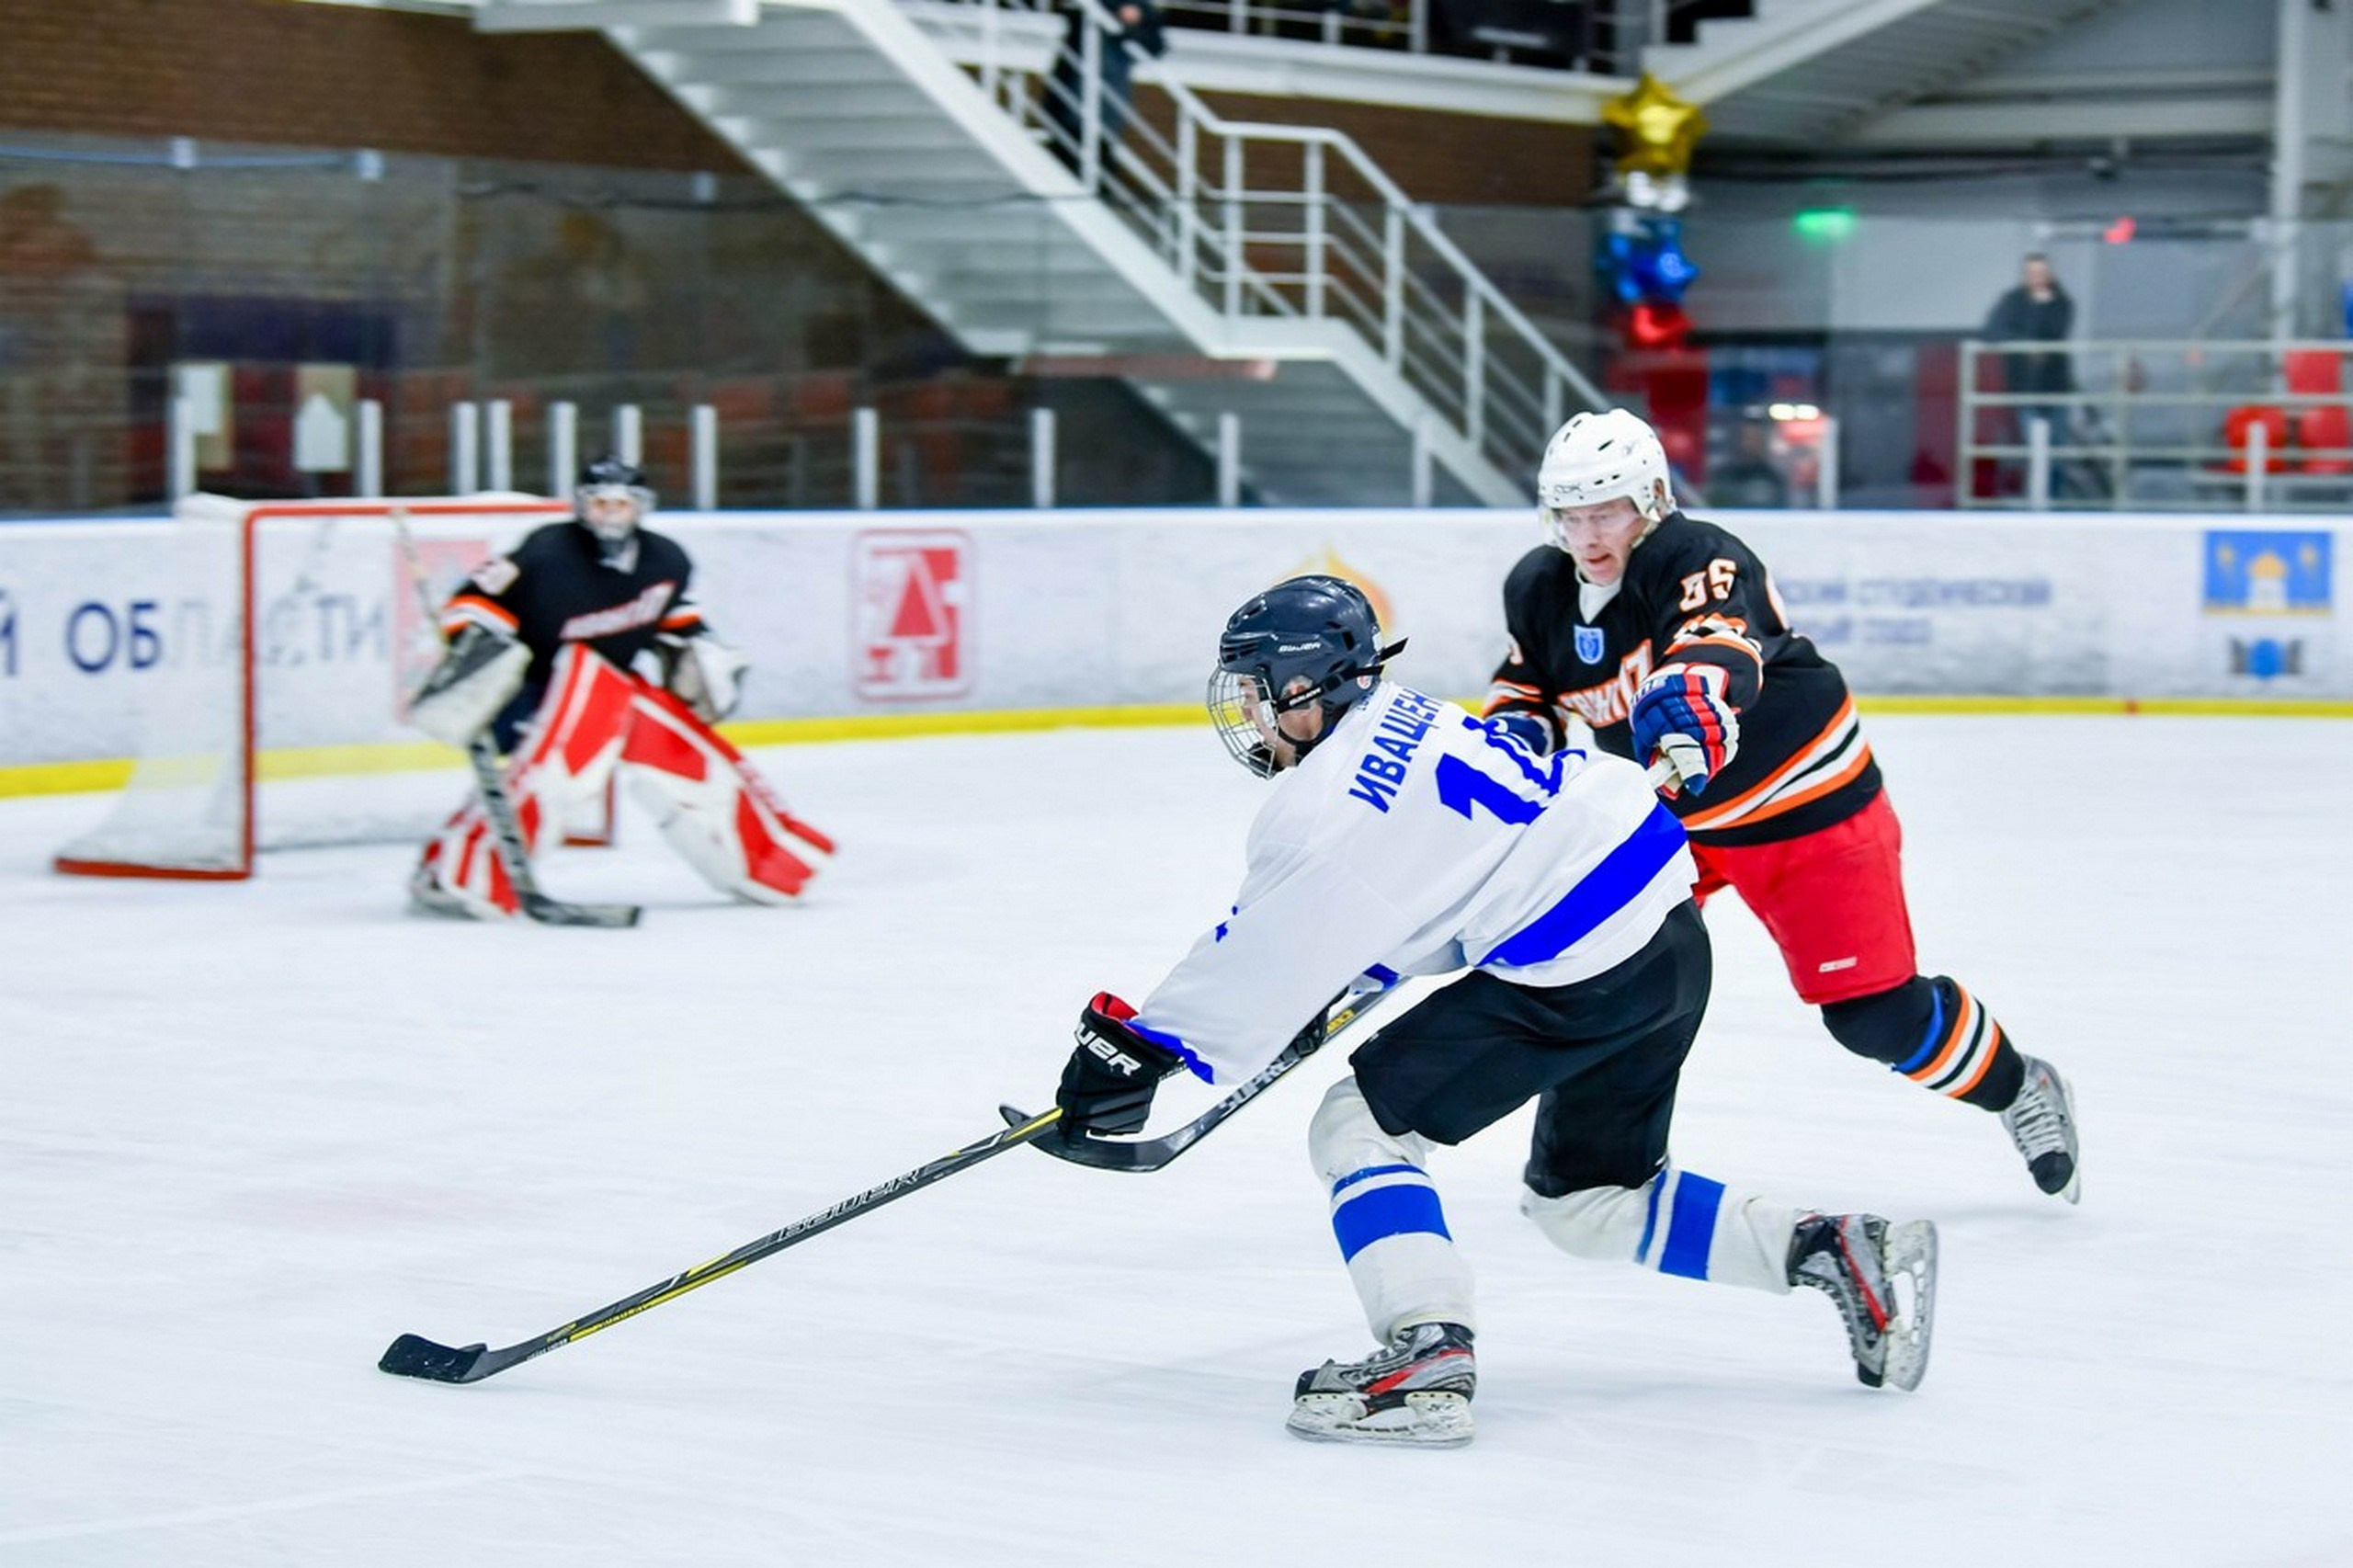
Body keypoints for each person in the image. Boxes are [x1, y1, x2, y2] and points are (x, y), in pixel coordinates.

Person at [1050, 574, 1938, 1449]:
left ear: (1302, 687)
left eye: (1254, 692)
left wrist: (1134, 1051)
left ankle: (1424, 1356)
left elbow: (1266, 951)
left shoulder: (1321, 807)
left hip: (1579, 964)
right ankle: (1835, 1249)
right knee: (1591, 1200)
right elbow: (1413, 892)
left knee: (1359, 1130)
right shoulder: (1409, 717)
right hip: (1662, 937)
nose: (1245, 716)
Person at [1482, 407, 2080, 1203]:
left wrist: (1690, 686)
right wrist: (1513, 733)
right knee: (1593, 967)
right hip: (1671, 824)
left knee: (1871, 1017)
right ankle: (1581, 1168)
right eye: (1573, 514)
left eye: (1609, 511)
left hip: (1806, 809)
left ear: (1652, 500)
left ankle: (2019, 1086)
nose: (1589, 534)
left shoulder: (1697, 555)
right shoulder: (1538, 585)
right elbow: (1532, 681)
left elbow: (1718, 636)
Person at [405, 455, 832, 917]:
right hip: (537, 691)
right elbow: (474, 599)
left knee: (690, 758)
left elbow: (675, 615)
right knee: (551, 776)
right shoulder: (546, 551)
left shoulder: (665, 559)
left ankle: (774, 863)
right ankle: (457, 871)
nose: (610, 513)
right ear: (582, 506)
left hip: (615, 689)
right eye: (600, 503)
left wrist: (700, 649)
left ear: (640, 508)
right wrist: (472, 641)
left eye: (621, 504)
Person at [1040, 0, 1166, 176]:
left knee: (1097, 150)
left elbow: (1156, 45)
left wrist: (1129, 26)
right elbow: (1073, 13)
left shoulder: (1141, 8)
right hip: (1074, 85)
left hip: (1107, 92)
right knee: (1065, 144)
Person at [1983, 253, 2076, 444]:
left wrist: (2039, 304)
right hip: (2024, 385)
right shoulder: (2011, 301)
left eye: (2041, 272)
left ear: (2049, 275)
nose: (2036, 277)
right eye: (2031, 272)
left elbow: (2054, 330)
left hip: (2055, 386)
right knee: (2033, 448)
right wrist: (2024, 345)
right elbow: (1992, 332)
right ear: (2024, 275)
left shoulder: (2061, 303)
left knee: (2057, 449)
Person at [1711, 418, 1790, 507]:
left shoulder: (1773, 477)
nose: (1751, 443)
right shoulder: (1723, 475)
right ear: (1738, 441)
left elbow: (1780, 509)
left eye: (1756, 438)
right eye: (1748, 438)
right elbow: (1714, 506)